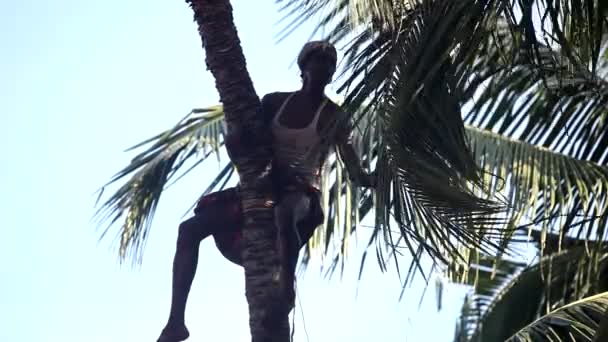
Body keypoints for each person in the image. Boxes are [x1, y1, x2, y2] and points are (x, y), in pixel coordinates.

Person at [157, 40, 376, 342]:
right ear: (304, 68)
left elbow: (355, 171)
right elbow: (246, 144)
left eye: (329, 64)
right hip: (261, 187)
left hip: (302, 192)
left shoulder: (333, 117)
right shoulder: (274, 102)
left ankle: (285, 293)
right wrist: (236, 144)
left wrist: (378, 178)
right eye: (318, 61)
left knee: (285, 213)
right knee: (189, 230)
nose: (324, 68)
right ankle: (175, 323)